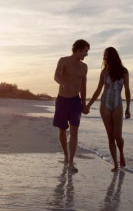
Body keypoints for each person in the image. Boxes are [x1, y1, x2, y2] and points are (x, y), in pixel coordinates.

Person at [85, 47, 131, 171]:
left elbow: (127, 90)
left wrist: (128, 108)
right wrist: (88, 105)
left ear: (112, 56)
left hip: (117, 104)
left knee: (118, 136)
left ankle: (121, 153)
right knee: (110, 136)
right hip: (104, 104)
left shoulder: (124, 71)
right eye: (103, 55)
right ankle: (115, 163)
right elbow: (98, 90)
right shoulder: (104, 72)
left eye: (105, 55)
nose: (103, 57)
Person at [53, 39, 90, 172]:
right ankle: (65, 154)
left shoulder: (84, 67)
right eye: (85, 51)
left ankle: (71, 162)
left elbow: (83, 86)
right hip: (62, 100)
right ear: (78, 50)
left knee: (74, 130)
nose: (86, 54)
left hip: (75, 101)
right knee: (62, 130)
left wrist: (84, 103)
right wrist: (63, 83)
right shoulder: (63, 61)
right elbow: (56, 76)